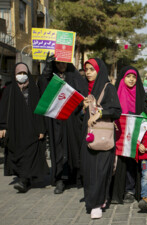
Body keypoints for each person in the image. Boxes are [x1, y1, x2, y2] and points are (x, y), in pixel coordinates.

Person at [38, 54, 87, 194]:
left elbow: (82, 94)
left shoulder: (74, 76)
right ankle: (61, 179)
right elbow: (42, 87)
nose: (61, 66)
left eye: (64, 63)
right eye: (58, 63)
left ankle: (76, 176)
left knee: (74, 148)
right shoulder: (50, 76)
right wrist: (47, 68)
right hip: (56, 121)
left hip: (72, 120)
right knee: (59, 149)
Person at [81, 58, 122, 219]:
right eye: (87, 69)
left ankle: (97, 203)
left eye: (92, 69)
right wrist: (83, 107)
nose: (89, 73)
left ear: (99, 70)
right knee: (89, 171)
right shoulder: (85, 88)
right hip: (87, 137)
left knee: (101, 170)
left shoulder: (108, 88)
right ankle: (95, 199)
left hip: (103, 137)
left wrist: (98, 113)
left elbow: (116, 110)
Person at [0, 63, 49, 193]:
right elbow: (3, 109)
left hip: (32, 128)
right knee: (17, 153)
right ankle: (24, 178)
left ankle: (24, 180)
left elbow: (40, 110)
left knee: (30, 153)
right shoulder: (9, 89)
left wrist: (41, 129)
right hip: (15, 129)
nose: (21, 76)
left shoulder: (34, 89)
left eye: (24, 73)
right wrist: (2, 126)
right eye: (19, 73)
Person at [110, 66, 145, 204]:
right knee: (118, 162)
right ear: (122, 78)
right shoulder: (115, 93)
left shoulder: (141, 94)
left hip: (134, 131)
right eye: (128, 76)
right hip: (118, 130)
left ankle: (130, 190)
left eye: (134, 77)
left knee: (131, 160)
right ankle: (116, 190)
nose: (131, 80)